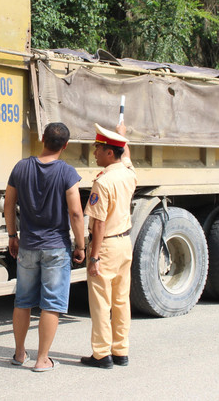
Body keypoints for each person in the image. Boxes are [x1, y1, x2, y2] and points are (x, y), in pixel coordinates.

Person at [5, 122, 86, 372]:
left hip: (28, 245)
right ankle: (42, 359)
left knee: (23, 301)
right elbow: (75, 213)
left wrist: (12, 235)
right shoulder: (67, 173)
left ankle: (20, 354)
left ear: (42, 139)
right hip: (56, 247)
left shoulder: (21, 167)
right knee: (51, 303)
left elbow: (9, 205)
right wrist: (81, 245)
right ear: (66, 145)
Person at [81, 122, 137, 368]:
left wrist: (93, 258)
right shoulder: (128, 173)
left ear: (110, 153)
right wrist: (122, 136)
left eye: (98, 148)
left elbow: (99, 224)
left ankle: (102, 354)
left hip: (106, 246)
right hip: (125, 243)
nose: (94, 153)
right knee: (121, 300)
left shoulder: (103, 182)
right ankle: (121, 350)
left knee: (101, 302)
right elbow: (127, 158)